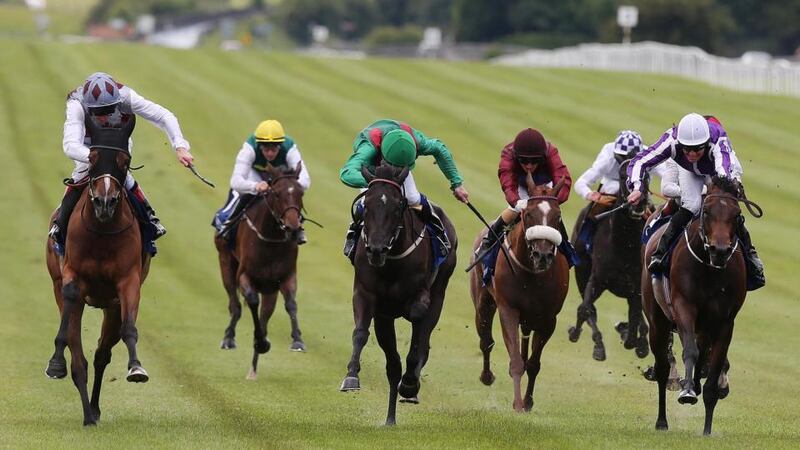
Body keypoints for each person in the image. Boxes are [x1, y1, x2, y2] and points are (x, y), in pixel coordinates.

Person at [49, 72, 194, 255]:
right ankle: (60, 227)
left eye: (108, 111)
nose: (103, 118)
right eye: (97, 113)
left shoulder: (127, 97)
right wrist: (97, 160)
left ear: (117, 102)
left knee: (125, 178)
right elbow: (70, 145)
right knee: (81, 174)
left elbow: (164, 116)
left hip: (117, 144)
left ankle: (150, 223)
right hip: (88, 148)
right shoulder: (76, 105)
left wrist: (180, 146)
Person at [627, 113, 764, 288]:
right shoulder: (671, 140)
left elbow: (723, 171)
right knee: (692, 204)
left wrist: (718, 192)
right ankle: (660, 252)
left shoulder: (718, 140)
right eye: (687, 149)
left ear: (706, 143)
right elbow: (641, 161)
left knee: (724, 207)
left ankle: (751, 257)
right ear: (680, 144)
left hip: (720, 170)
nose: (692, 154)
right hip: (690, 171)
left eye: (697, 149)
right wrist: (637, 186)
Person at [340, 119, 469, 258]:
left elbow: (439, 148)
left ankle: (439, 232)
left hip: (395, 161)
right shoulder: (368, 147)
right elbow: (347, 173)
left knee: (413, 198)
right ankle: (353, 233)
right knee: (367, 201)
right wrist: (375, 184)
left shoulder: (417, 141)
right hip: (374, 168)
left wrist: (457, 184)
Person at [477, 128, 579, 266]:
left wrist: (552, 200)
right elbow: (508, 183)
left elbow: (563, 179)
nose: (529, 166)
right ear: (516, 156)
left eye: (535, 161)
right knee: (514, 211)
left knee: (550, 214)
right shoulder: (508, 153)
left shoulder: (551, 152)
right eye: (523, 161)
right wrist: (516, 202)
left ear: (542, 157)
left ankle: (567, 248)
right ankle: (488, 242)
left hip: (545, 189)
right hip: (522, 187)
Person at [214, 119, 311, 244]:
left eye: (274, 149)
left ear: (280, 145)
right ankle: (227, 223)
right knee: (244, 195)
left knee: (289, 195)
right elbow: (236, 181)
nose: (270, 153)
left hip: (280, 179)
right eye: (265, 148)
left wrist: (288, 186)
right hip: (255, 176)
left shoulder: (290, 148)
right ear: (259, 145)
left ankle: (298, 227)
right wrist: (255, 186)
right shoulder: (249, 148)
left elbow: (305, 180)